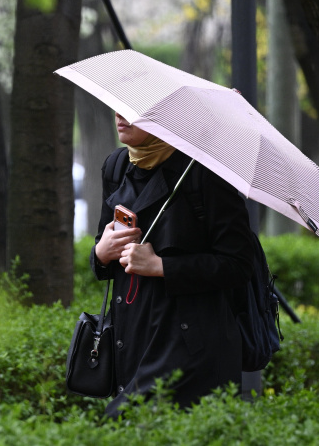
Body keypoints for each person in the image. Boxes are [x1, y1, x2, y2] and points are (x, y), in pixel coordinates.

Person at [91, 113, 255, 418]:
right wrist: (101, 253)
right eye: (116, 105)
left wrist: (161, 266)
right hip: (130, 337)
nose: (118, 115)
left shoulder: (204, 172)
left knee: (124, 423)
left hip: (190, 347)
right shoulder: (117, 166)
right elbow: (103, 245)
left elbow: (238, 264)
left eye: (134, 108)